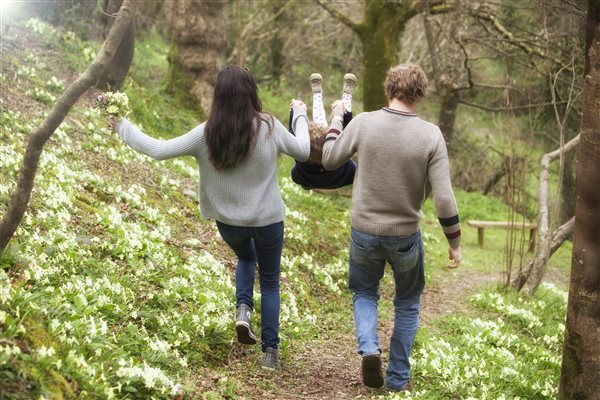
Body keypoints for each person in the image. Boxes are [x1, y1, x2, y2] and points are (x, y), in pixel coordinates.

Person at [109, 66, 310, 371]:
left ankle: (243, 308)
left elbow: (159, 150)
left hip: (230, 224)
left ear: (219, 96)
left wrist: (122, 126)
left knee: (246, 259)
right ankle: (270, 354)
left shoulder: (206, 133)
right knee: (269, 283)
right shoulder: (269, 126)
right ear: (251, 93)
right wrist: (300, 115)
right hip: (269, 222)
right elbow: (305, 151)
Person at [321, 64, 462, 391]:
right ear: (421, 94)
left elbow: (329, 158)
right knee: (408, 301)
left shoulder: (364, 122)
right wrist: (454, 242)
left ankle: (369, 348)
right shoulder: (431, 135)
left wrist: (335, 119)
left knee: (364, 292)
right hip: (405, 237)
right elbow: (444, 198)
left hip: (363, 231)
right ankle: (397, 379)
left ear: (389, 89)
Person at [288, 73, 357, 190]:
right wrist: (294, 113)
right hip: (340, 176)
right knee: (338, 124)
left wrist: (293, 113)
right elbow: (348, 133)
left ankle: (318, 93)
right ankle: (344, 95)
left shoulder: (301, 165)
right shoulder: (348, 169)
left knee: (321, 124)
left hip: (311, 177)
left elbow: (292, 137)